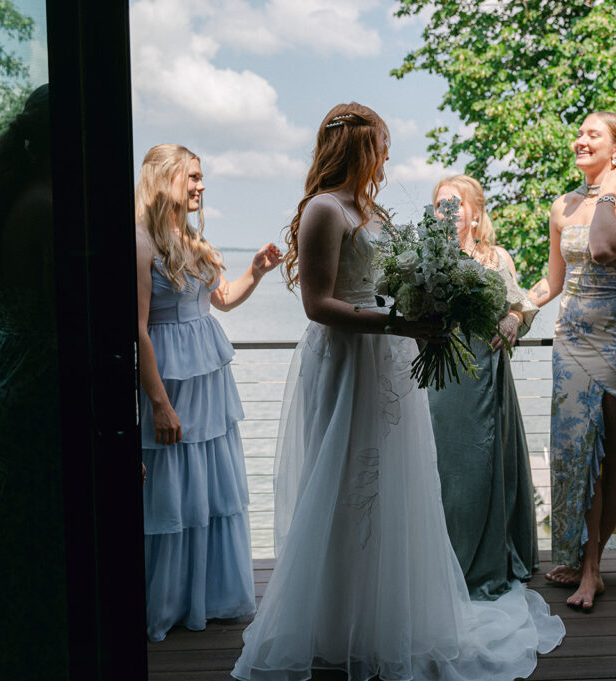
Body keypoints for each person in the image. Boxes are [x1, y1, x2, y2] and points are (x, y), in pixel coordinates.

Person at [231, 103, 563, 681]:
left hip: (389, 357)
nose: (387, 156)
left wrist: (422, 304)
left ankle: (390, 617)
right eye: (381, 145)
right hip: (346, 361)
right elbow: (317, 305)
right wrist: (397, 324)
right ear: (359, 147)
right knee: (343, 480)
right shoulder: (323, 210)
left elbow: (394, 279)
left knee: (397, 483)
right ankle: (335, 621)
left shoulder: (372, 209)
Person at [526, 111, 616, 611]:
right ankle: (578, 553)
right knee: (574, 452)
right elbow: (553, 281)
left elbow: (603, 247)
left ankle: (593, 566)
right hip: (570, 342)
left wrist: (610, 190)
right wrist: (514, 313)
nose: (580, 140)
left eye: (594, 134)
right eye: (580, 133)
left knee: (611, 453)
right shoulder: (562, 205)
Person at [135, 144, 281, 642]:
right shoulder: (140, 244)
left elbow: (221, 301)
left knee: (208, 490)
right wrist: (159, 403)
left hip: (209, 384)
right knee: (172, 489)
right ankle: (168, 601)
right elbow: (138, 331)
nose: (200, 186)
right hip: (172, 383)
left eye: (201, 178)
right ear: (164, 179)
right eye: (191, 177)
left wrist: (257, 272)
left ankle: (208, 597)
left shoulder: (193, 242)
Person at [0, 84, 69, 680]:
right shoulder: (52, 209)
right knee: (41, 557)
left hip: (0, 379)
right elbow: (68, 324)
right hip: (38, 390)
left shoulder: (3, 205)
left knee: (2, 546)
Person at [426, 174, 540, 601]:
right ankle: (438, 559)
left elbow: (521, 305)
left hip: (485, 378)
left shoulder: (496, 257)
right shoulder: (427, 258)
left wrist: (513, 320)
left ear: (474, 213)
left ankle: (485, 558)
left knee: (481, 467)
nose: (447, 212)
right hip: (438, 381)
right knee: (441, 468)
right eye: (440, 205)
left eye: (454, 204)